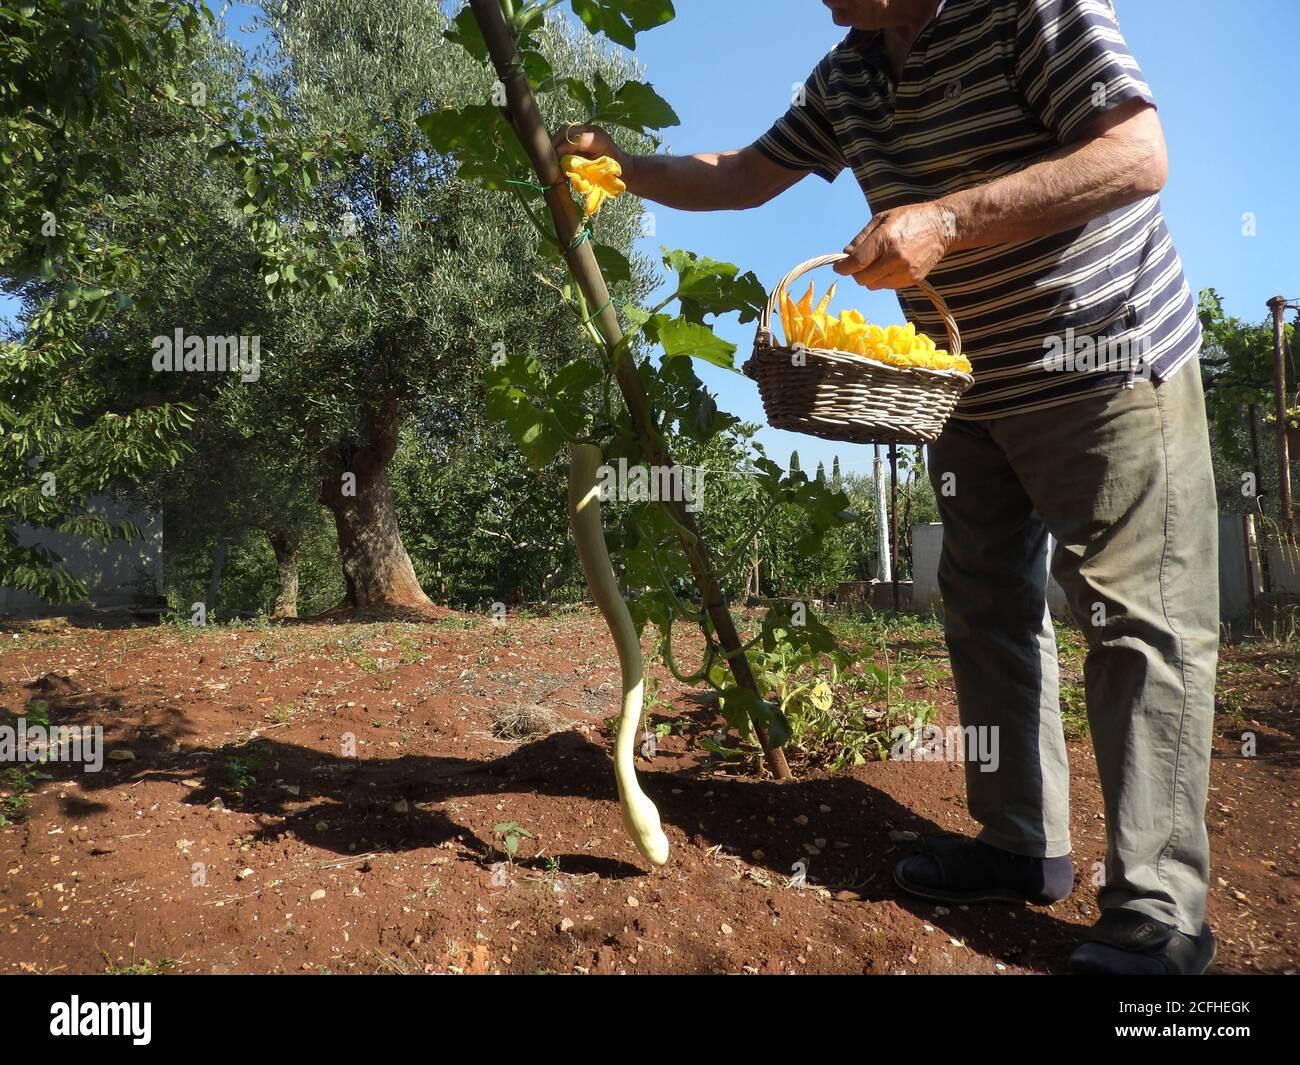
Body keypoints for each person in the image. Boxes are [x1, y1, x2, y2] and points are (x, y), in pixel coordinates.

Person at [557, 0, 1219, 975]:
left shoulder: (1029, 12)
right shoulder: (848, 74)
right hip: (959, 384)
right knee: (985, 604)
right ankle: (1017, 846)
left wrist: (951, 218)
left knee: (1137, 619)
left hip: (1105, 360)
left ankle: (1160, 911)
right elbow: (741, 176)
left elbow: (1135, 155)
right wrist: (615, 165)